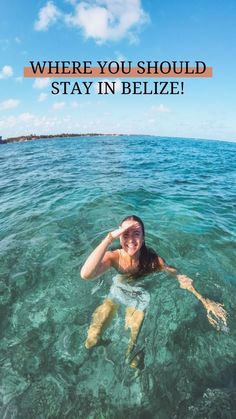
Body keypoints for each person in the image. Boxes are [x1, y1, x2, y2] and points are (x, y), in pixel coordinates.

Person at [80, 215, 227, 367]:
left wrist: (205, 301)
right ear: (119, 237)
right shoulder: (114, 257)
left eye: (136, 233)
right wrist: (109, 238)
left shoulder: (153, 261)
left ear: (143, 237)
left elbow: (180, 277)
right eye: (125, 234)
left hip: (139, 298)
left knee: (130, 352)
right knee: (91, 340)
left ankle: (134, 363)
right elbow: (86, 274)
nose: (130, 239)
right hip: (117, 291)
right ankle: (102, 348)